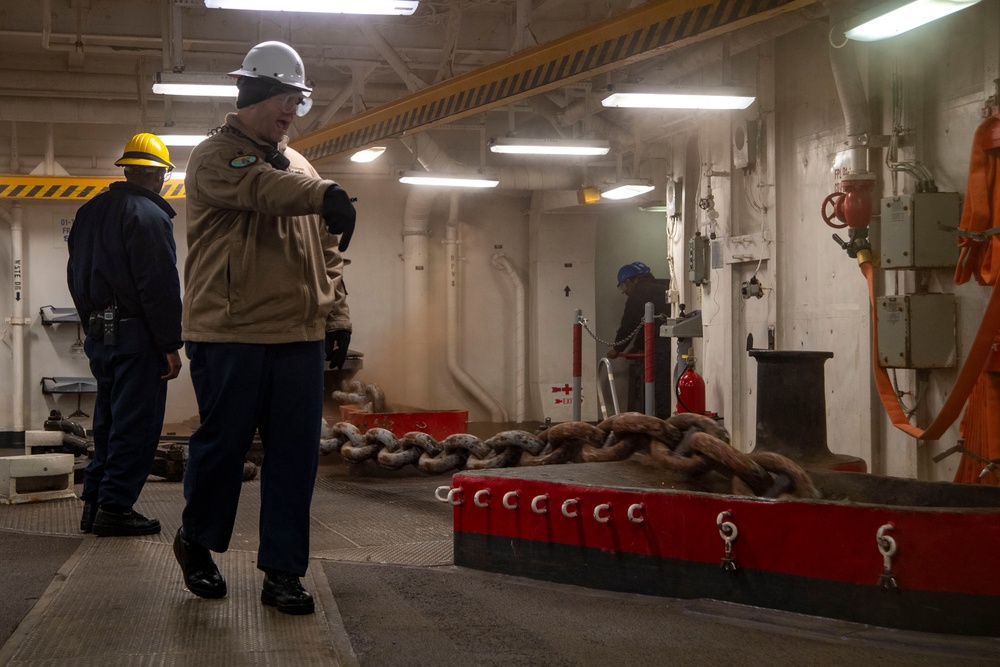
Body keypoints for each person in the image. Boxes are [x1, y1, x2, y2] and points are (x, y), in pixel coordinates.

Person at [174, 40, 356, 616]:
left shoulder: (300, 163)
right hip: (231, 331)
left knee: (296, 458)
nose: (292, 111)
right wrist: (325, 194)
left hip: (296, 336)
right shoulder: (215, 156)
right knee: (223, 449)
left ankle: (283, 572)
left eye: (298, 102)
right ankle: (197, 540)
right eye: (285, 98)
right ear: (254, 94)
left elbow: (328, 248)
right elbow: (262, 190)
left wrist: (337, 313)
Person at [67, 132, 183, 537]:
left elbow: (76, 277)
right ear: (160, 175)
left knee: (108, 422)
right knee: (138, 424)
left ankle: (95, 503)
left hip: (101, 335)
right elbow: (159, 286)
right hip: (139, 340)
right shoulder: (148, 217)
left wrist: (92, 325)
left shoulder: (89, 212)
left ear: (128, 168)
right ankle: (115, 508)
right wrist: (170, 344)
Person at [606, 261, 671, 419]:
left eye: (623, 287)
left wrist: (618, 348)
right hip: (671, 341)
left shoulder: (640, 292)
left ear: (630, 281)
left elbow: (630, 322)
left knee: (660, 383)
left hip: (660, 343)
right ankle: (666, 417)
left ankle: (661, 419)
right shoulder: (663, 286)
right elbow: (645, 324)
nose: (624, 292)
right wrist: (637, 346)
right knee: (667, 381)